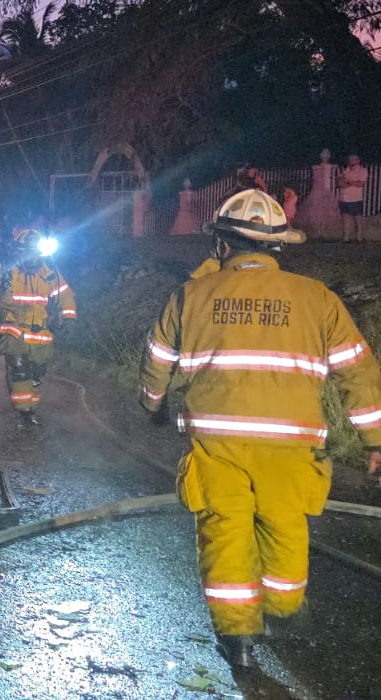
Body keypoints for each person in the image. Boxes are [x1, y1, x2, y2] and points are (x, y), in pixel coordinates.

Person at [139, 189, 381, 671]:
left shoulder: (190, 295)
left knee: (225, 533)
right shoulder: (318, 299)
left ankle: (238, 638)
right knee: (285, 524)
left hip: (217, 444)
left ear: (222, 244)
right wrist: (375, 439)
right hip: (291, 446)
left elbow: (158, 359)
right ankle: (283, 608)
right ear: (277, 246)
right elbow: (357, 372)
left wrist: (152, 404)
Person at [0, 227, 76, 425]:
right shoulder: (6, 270)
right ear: (18, 252)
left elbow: (66, 295)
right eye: (26, 252)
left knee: (37, 374)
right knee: (20, 369)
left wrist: (68, 318)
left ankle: (26, 399)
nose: (31, 257)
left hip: (40, 331)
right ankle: (26, 412)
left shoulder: (50, 272)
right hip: (12, 327)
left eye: (34, 253)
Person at [295, 149, 341, 239]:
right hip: (317, 191)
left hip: (327, 191)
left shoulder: (333, 167)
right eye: (323, 153)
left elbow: (337, 178)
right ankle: (316, 231)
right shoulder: (315, 167)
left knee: (327, 211)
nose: (325, 156)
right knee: (315, 211)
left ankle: (325, 231)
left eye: (327, 154)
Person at [339, 153, 367, 243]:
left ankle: (359, 238)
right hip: (344, 198)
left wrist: (349, 182)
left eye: (354, 159)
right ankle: (346, 238)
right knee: (345, 218)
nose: (351, 161)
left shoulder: (362, 170)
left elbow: (360, 184)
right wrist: (352, 182)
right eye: (350, 159)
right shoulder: (345, 171)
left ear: (358, 160)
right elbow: (340, 184)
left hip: (356, 199)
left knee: (358, 218)